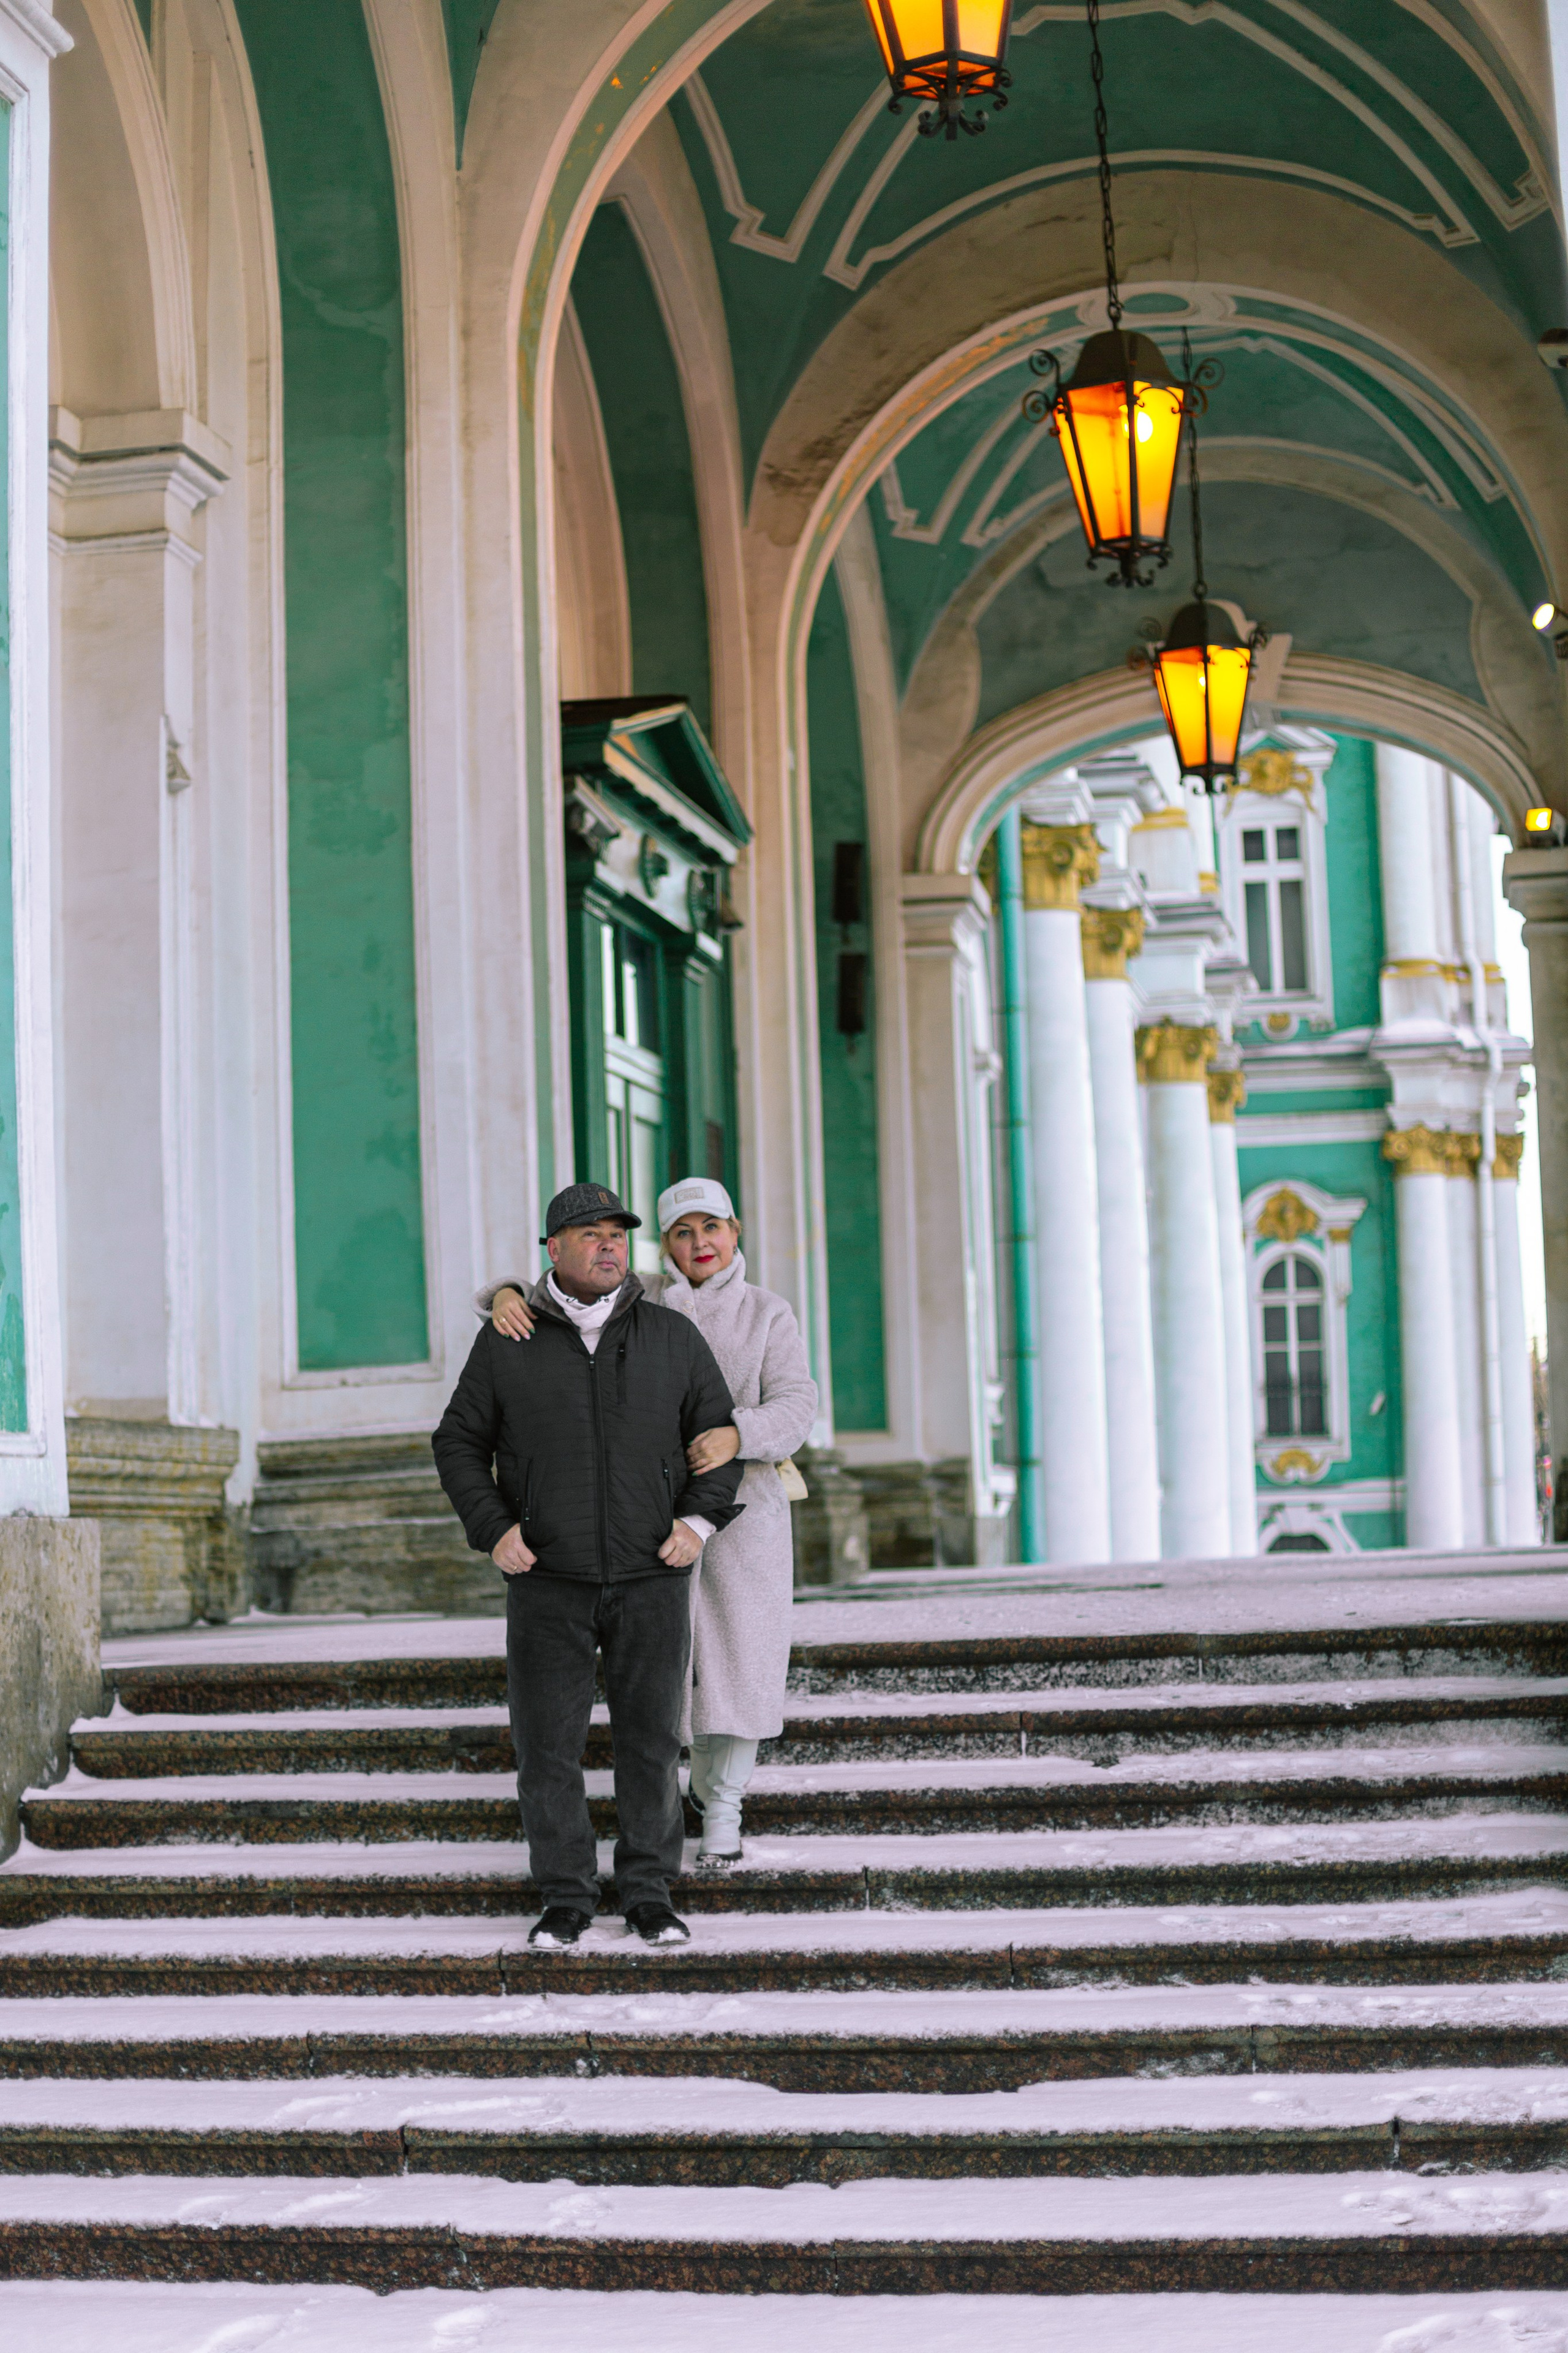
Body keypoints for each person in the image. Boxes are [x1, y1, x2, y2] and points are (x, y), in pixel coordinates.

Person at [431, 1182, 745, 1951]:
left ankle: (647, 1894)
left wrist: (697, 1524)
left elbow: (718, 1434)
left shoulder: (670, 1336)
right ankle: (565, 1897)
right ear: (553, 1250)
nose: (608, 1245)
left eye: (617, 1234)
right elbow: (457, 1443)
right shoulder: (507, 1339)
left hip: (651, 1573)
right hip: (547, 1576)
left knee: (648, 1743)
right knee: (547, 1747)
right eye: (589, 1234)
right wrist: (495, 1529)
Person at [479, 1174, 817, 1866]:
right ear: (662, 1245)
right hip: (644, 1513)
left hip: (744, 1514)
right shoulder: (647, 1296)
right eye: (682, 1233)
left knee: (739, 1659)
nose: (700, 1245)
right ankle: (678, 1792)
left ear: (735, 1230)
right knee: (667, 1667)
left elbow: (798, 1404)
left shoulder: (766, 1313)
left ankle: (724, 1800)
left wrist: (737, 1432)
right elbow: (572, 1278)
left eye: (711, 1229)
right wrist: (505, 1295)